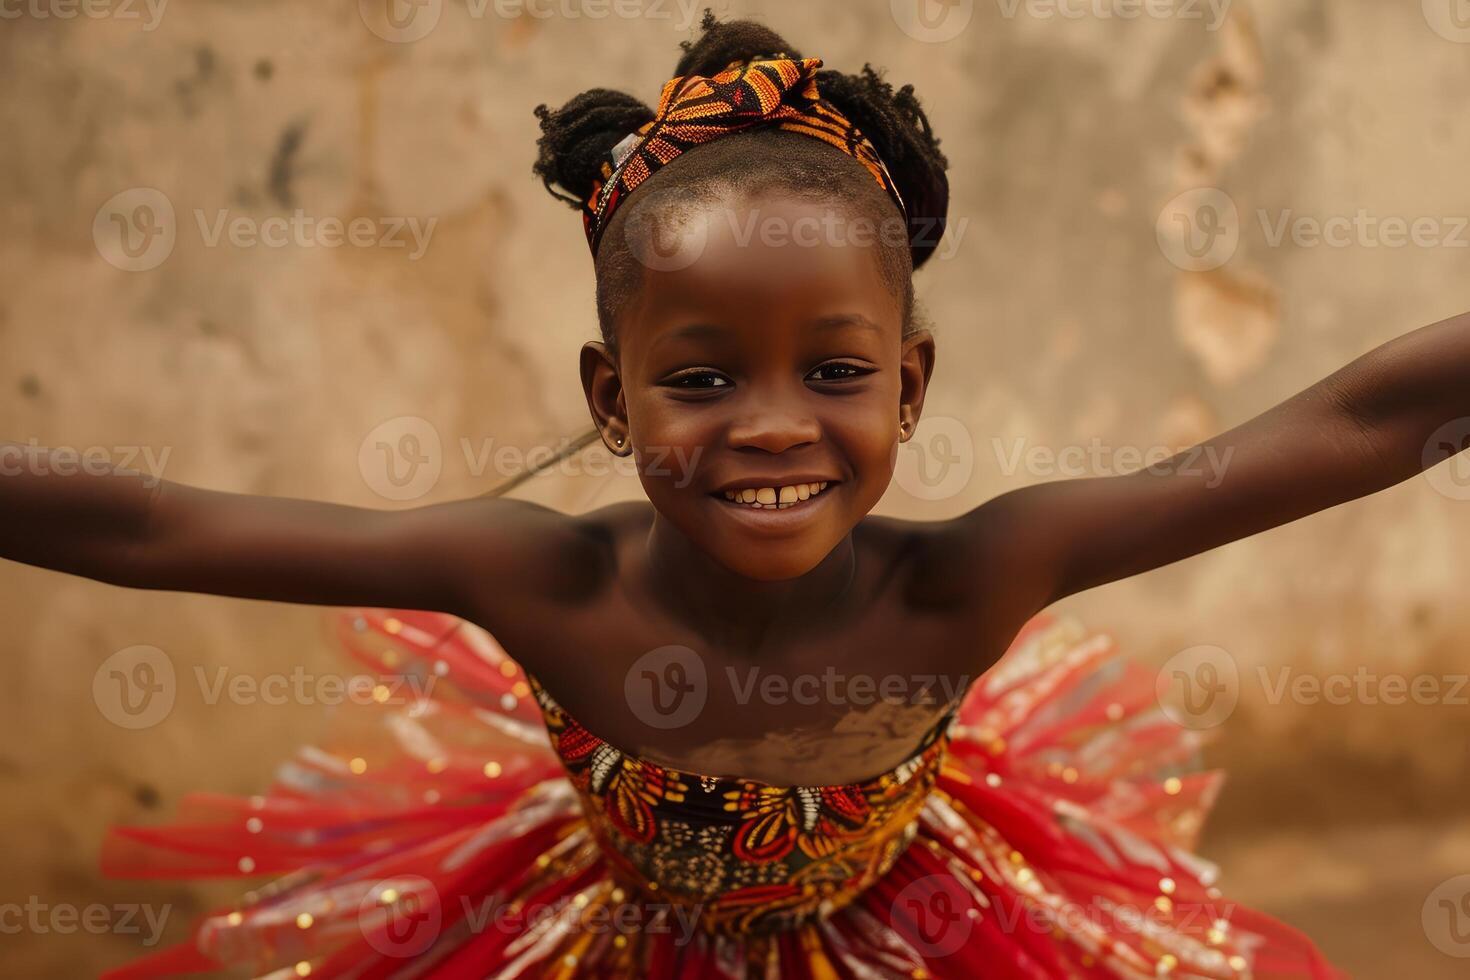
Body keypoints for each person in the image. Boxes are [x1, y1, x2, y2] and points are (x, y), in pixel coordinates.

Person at [17, 11, 1470, 977]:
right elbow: (156, 526)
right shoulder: (537, 582)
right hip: (604, 922)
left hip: (908, 911)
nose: (772, 430)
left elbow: (1356, 415)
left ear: (910, 384)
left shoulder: (973, 577)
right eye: (700, 382)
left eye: (833, 375)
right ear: (609, 400)